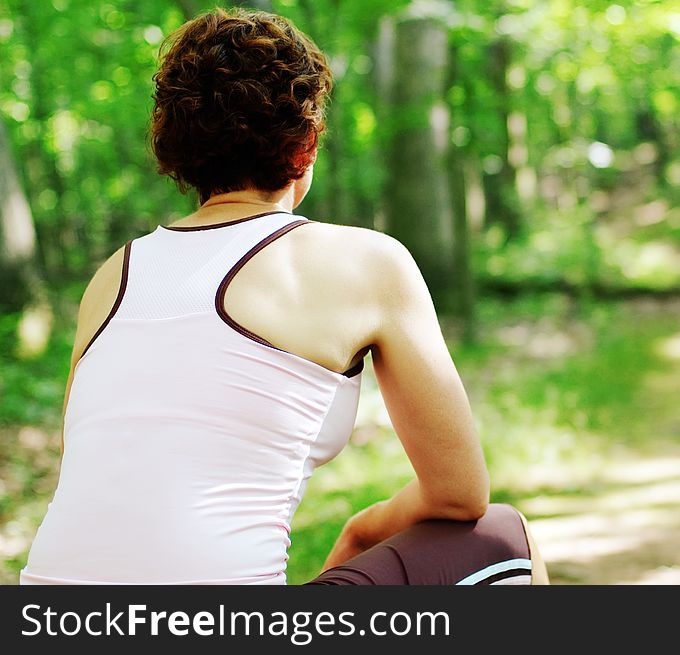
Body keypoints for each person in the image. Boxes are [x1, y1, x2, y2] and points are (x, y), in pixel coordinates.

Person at [20, 7, 548, 586]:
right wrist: (363, 531)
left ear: (175, 145)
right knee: (502, 536)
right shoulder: (367, 263)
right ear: (306, 146)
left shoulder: (112, 276)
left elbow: (101, 477)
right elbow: (459, 495)